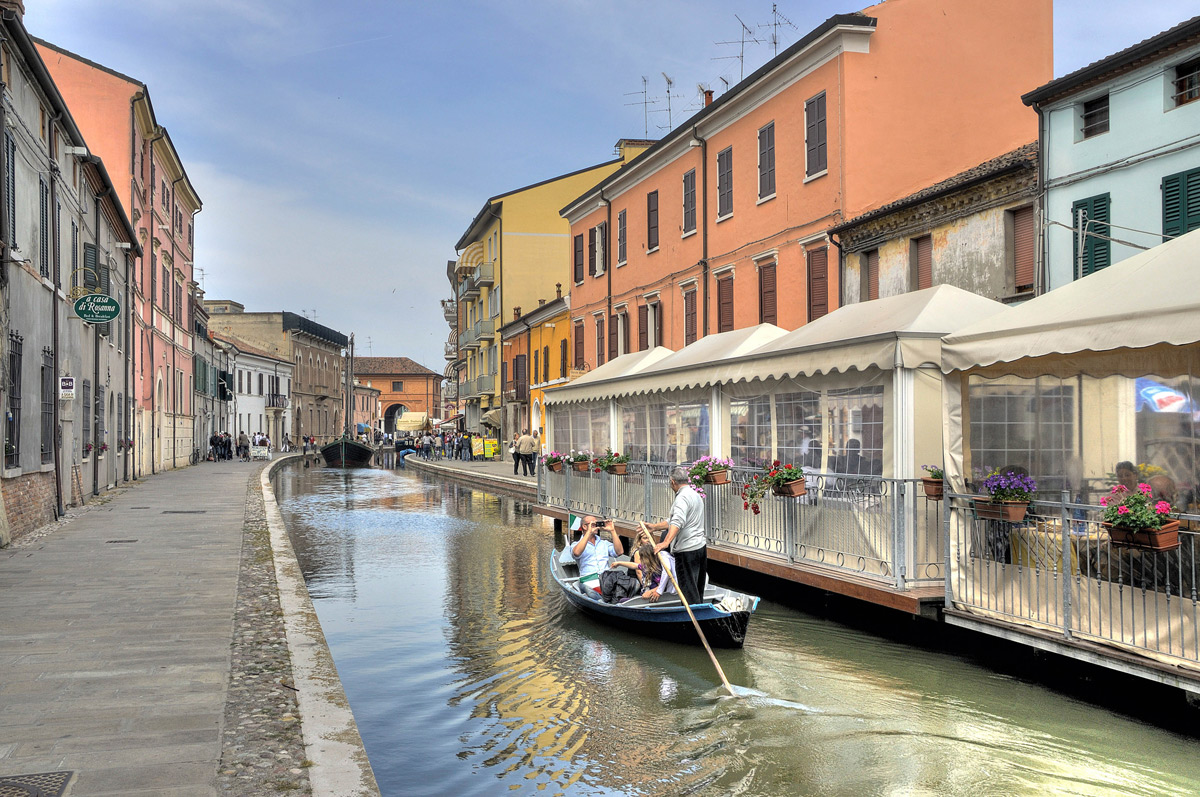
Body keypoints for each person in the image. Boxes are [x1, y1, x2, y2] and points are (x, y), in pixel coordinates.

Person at [645, 466, 707, 605]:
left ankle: (691, 621)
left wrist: (666, 542)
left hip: (687, 551)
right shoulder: (695, 494)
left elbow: (677, 522)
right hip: (700, 548)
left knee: (688, 591)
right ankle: (698, 614)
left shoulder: (681, 498)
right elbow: (673, 521)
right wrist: (654, 527)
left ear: (672, 482)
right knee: (697, 588)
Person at [572, 515, 624, 596]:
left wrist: (613, 531)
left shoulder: (604, 543)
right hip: (588, 579)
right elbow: (576, 553)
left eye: (597, 524)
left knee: (625, 584)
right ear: (584, 526)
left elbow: (619, 552)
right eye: (593, 524)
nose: (596, 527)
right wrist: (589, 532)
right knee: (592, 591)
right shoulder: (576, 544)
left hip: (606, 578)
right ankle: (603, 602)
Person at [610, 542, 676, 602]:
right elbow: (634, 565)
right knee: (620, 598)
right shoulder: (646, 567)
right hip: (643, 596)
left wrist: (650, 592)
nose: (640, 559)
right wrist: (619, 563)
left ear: (648, 558)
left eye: (642, 557)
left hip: (650, 598)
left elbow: (661, 586)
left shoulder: (656, 572)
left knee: (622, 601)